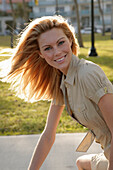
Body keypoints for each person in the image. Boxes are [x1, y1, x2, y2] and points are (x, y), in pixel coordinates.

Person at [3, 15, 113, 170]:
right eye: (48, 48)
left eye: (60, 43)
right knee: (81, 163)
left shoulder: (88, 73)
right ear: (40, 54)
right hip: (108, 153)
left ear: (70, 40)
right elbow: (48, 136)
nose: (57, 52)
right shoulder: (62, 83)